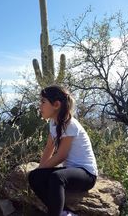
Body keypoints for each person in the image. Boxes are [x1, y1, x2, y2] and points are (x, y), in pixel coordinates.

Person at [28, 85, 98, 216]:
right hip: (70, 170)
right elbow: (49, 148)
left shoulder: (70, 124)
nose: (40, 106)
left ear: (56, 105)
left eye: (43, 102)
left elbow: (61, 156)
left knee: (56, 178)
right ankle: (65, 212)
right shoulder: (53, 123)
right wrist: (40, 170)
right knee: (34, 176)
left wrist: (44, 169)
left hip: (87, 174)